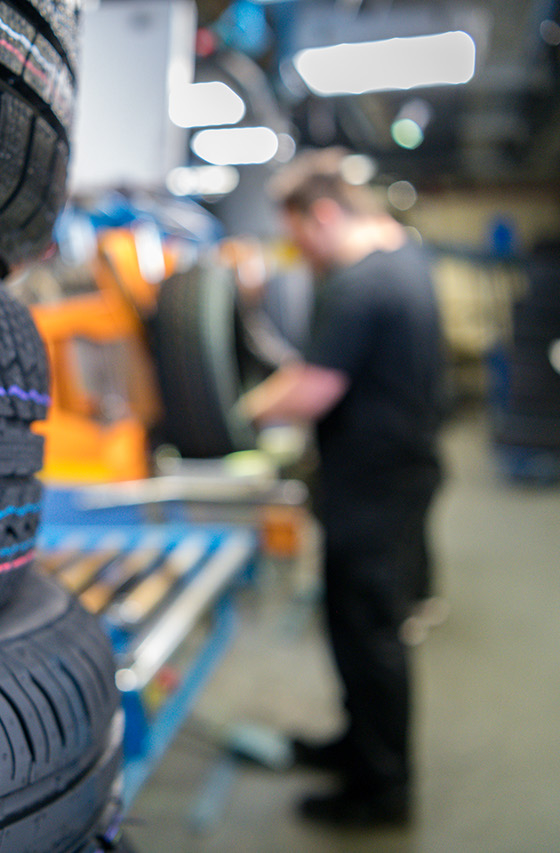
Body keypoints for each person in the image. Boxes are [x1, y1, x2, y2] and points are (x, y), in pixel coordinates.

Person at [237, 148, 445, 827]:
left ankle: (383, 790)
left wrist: (236, 412)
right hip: (395, 473)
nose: (301, 252)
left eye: (300, 235)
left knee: (369, 633)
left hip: (374, 485)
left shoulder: (361, 284)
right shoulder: (404, 259)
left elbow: (315, 387)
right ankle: (359, 747)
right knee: (358, 629)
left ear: (322, 213)